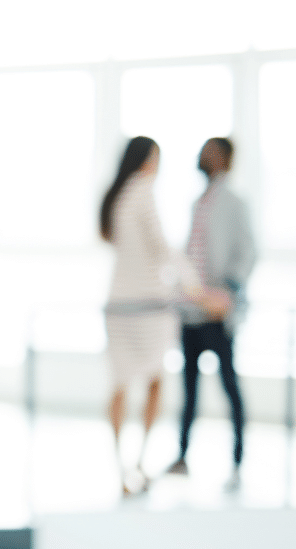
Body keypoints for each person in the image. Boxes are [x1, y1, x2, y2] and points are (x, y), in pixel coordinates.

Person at [100, 137, 199, 496]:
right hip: (147, 305)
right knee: (155, 379)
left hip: (117, 302)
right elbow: (161, 248)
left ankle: (120, 466)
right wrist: (196, 287)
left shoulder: (116, 195)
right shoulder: (143, 191)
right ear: (147, 160)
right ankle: (139, 460)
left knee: (119, 383)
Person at [166, 137, 257, 492]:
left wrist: (230, 290)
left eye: (212, 151)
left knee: (229, 387)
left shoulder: (235, 202)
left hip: (217, 313)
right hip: (190, 310)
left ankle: (237, 461)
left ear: (225, 159)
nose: (204, 156)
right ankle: (182, 456)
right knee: (188, 389)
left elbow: (248, 249)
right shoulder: (197, 203)